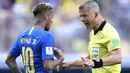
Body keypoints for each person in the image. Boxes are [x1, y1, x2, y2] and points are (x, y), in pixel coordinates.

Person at [61, 1, 122, 73]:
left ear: (96, 14)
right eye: (81, 16)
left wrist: (95, 62)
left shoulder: (110, 32)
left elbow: (118, 57)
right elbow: (90, 60)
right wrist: (69, 64)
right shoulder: (92, 33)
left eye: (85, 15)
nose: (82, 19)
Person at [5, 3, 64, 73]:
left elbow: (9, 60)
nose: (52, 21)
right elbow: (48, 66)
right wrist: (61, 59)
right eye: (52, 17)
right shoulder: (46, 36)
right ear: (46, 16)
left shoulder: (22, 36)